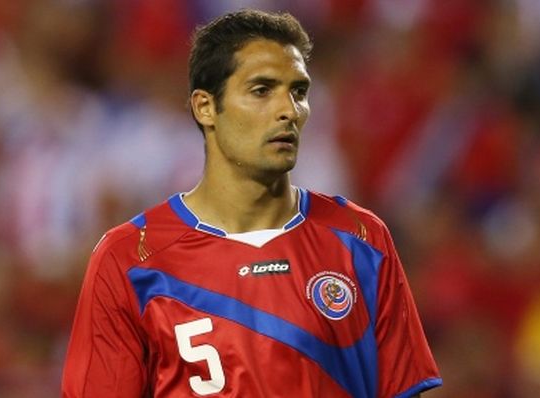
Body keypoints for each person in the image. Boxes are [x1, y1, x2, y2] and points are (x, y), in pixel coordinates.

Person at [61, 9, 441, 398]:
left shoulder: (361, 238)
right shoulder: (128, 258)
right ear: (205, 107)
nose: (288, 111)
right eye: (262, 90)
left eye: (298, 92)